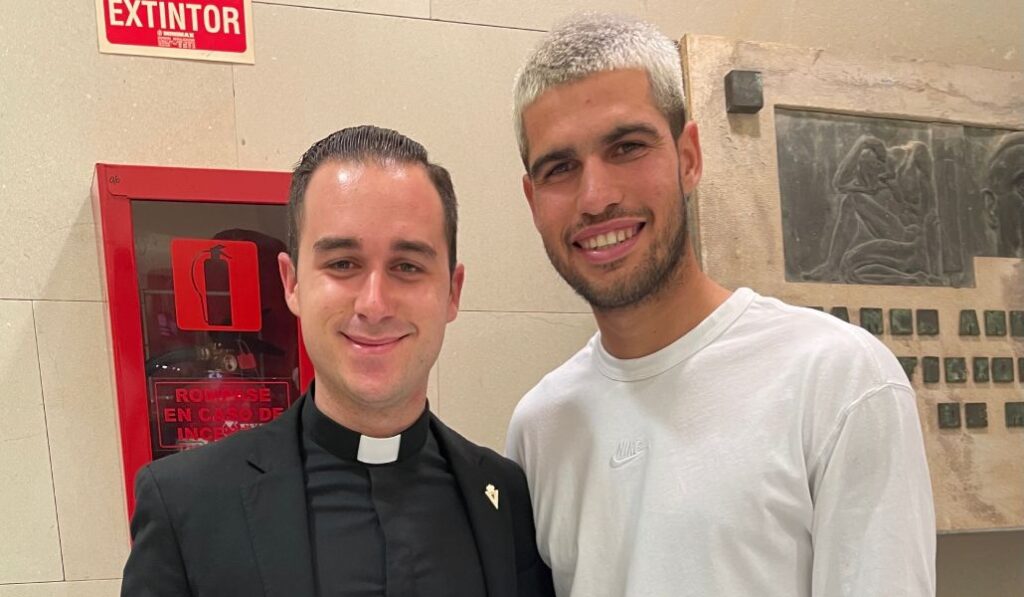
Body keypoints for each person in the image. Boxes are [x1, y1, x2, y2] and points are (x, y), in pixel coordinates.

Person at [505, 13, 935, 597]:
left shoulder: (836, 380)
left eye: (627, 147)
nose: (597, 197)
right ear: (533, 200)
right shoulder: (541, 425)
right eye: (560, 167)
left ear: (688, 157)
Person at [122, 125, 555, 597]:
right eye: (343, 264)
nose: (374, 303)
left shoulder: (506, 497)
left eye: (407, 266)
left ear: (452, 292)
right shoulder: (187, 503)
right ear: (292, 283)